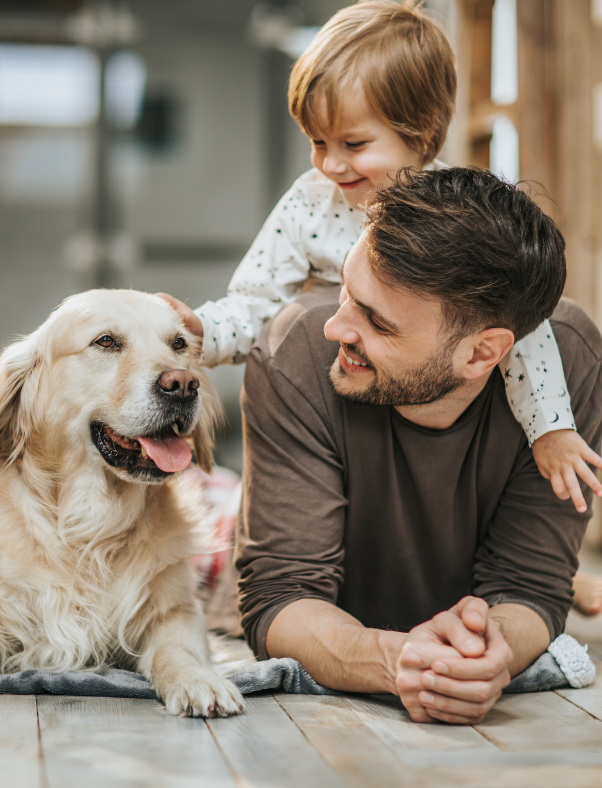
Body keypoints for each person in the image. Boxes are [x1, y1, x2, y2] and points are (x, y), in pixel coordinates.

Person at [160, 0, 602, 616]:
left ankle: (557, 580)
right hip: (349, 413)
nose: (329, 162)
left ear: (419, 134)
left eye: (353, 143)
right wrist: (199, 333)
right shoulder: (312, 202)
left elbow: (523, 331)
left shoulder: (459, 222)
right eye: (317, 141)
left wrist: (550, 427)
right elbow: (256, 300)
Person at [236, 166, 602, 724]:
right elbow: (280, 595)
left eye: (377, 323)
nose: (337, 328)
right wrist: (397, 659)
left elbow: (529, 586)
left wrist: (490, 652)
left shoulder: (572, 364)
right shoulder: (297, 354)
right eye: (346, 290)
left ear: (483, 354)